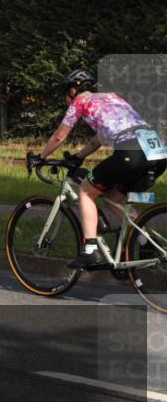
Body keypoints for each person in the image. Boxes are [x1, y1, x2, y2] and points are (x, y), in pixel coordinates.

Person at [29, 69, 167, 270]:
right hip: (159, 153)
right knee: (112, 199)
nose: (67, 101)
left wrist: (40, 158)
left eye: (66, 95)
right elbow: (99, 139)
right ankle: (147, 245)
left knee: (86, 191)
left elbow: (59, 136)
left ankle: (90, 250)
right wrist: (78, 157)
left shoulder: (81, 101)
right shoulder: (112, 98)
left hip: (133, 150)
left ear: (73, 90)